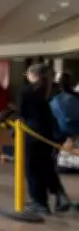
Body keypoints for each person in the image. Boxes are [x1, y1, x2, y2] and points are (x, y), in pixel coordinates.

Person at [20, 64, 70, 214]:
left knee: (33, 169)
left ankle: (39, 202)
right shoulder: (55, 89)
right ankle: (60, 194)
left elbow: (22, 113)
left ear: (32, 74)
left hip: (33, 133)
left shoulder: (28, 91)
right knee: (46, 165)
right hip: (51, 133)